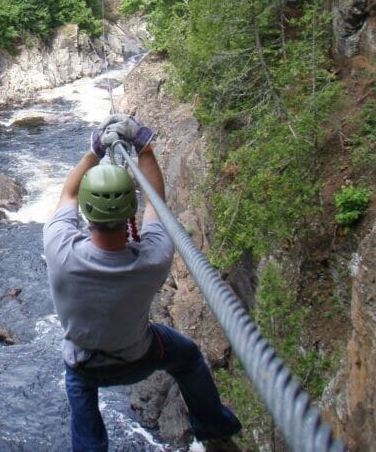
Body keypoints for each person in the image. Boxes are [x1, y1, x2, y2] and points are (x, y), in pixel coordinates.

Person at [43, 114, 242, 451]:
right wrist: (143, 146)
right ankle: (212, 425)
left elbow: (68, 195)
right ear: (129, 211)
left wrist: (95, 150)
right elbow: (156, 204)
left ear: (88, 214)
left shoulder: (59, 248)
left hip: (84, 364)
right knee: (188, 356)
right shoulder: (153, 258)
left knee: (79, 388)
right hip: (139, 357)